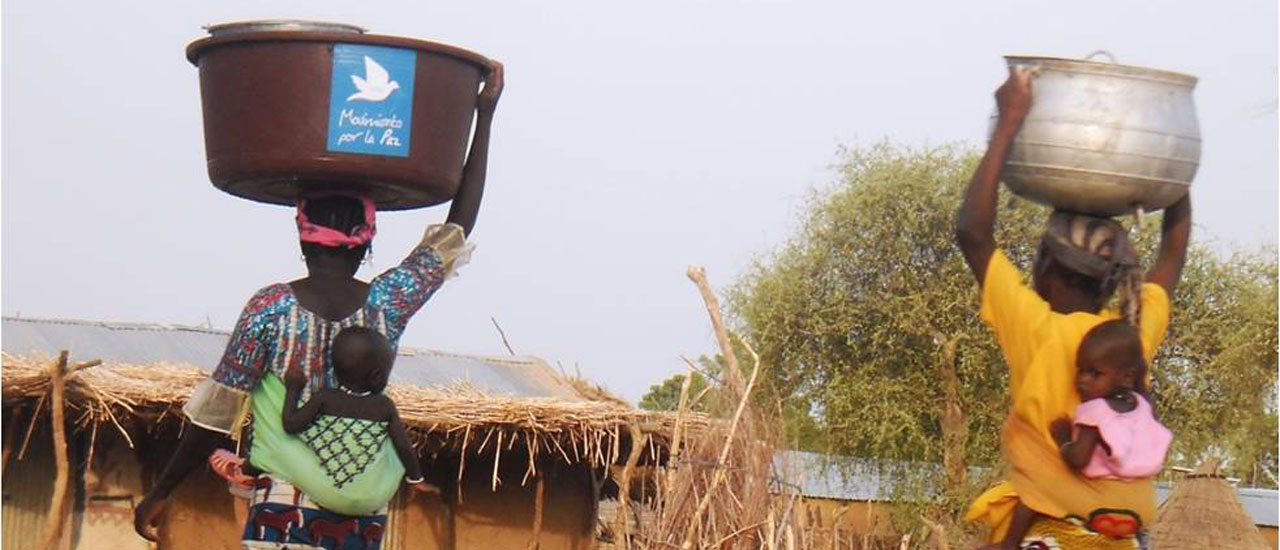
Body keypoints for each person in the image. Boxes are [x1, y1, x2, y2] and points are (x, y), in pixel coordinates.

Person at [133, 62, 503, 549]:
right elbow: (458, 226)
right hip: (362, 516)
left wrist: (160, 492)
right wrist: (484, 114)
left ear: (301, 234)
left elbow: (214, 416)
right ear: (366, 243)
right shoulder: (389, 303)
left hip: (283, 505)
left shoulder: (270, 308)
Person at [956, 67, 1191, 549]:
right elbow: (1172, 254)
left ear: (1043, 263)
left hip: (1051, 534)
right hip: (1125, 537)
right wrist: (1170, 162)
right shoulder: (1130, 335)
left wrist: (1009, 121)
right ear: (1111, 280)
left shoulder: (1033, 326)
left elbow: (972, 233)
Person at [978, 321, 1173, 550]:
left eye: (1095, 373)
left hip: (1100, 500)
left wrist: (1063, 439)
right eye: (1081, 370)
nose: (1083, 379)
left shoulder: (1096, 411)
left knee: (1034, 490)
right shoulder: (1143, 405)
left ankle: (1008, 544)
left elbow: (1078, 459)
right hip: (1142, 506)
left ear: (1125, 377)